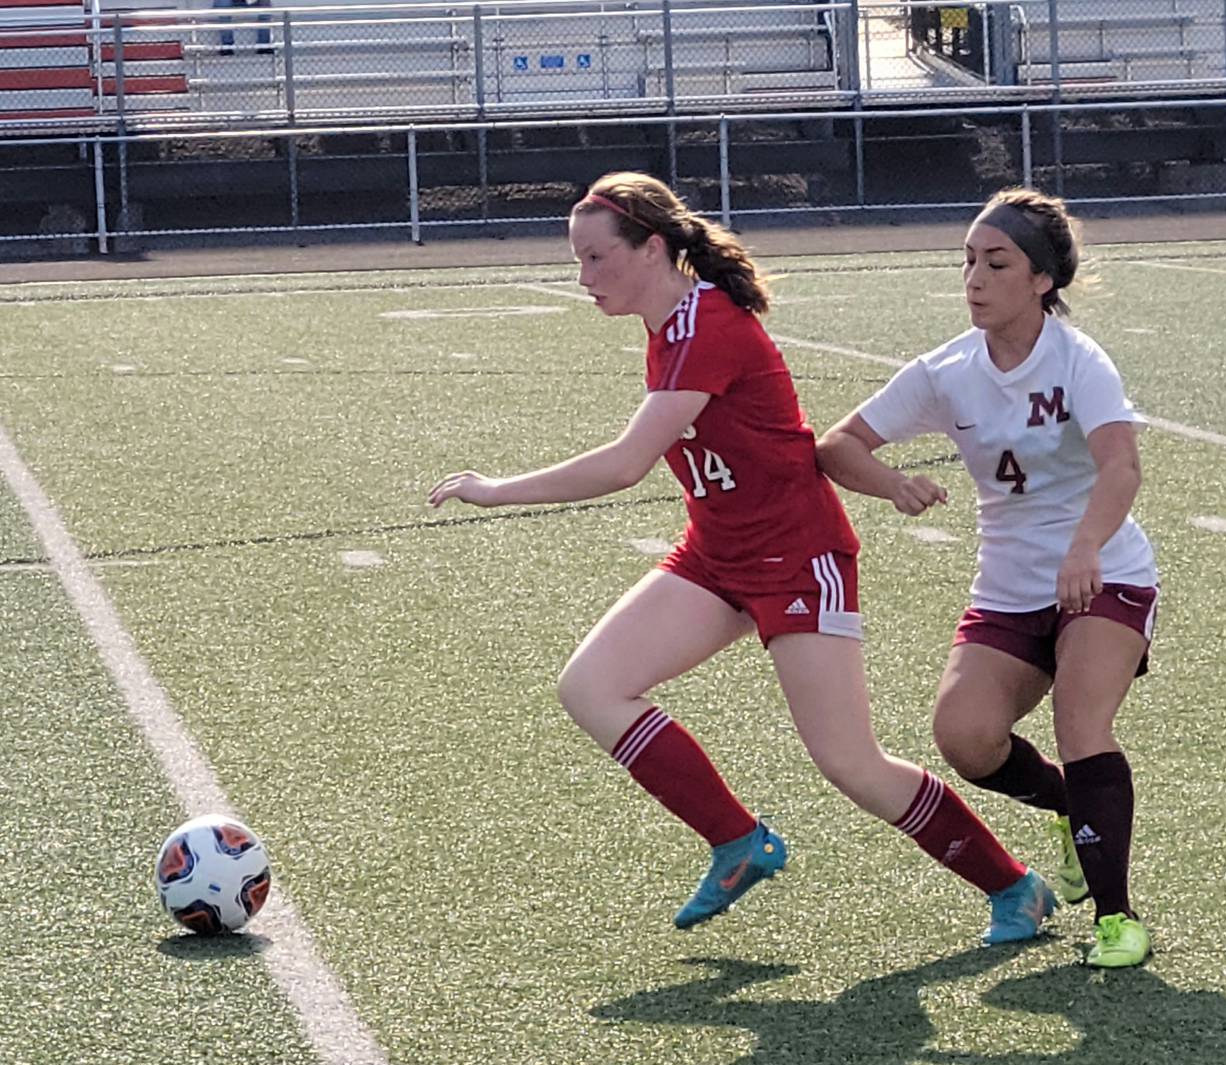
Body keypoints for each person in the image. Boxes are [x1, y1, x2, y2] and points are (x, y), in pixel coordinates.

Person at [428, 171, 1055, 944]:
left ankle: (1014, 886)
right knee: (592, 687)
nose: (583, 278)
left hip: (797, 560)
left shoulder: (708, 325)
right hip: (716, 557)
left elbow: (626, 464)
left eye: (595, 258)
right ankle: (737, 841)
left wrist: (495, 490)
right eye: (577, 261)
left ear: (651, 249)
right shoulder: (669, 326)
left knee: (851, 764)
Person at [815, 186, 1158, 968]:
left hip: (1105, 576)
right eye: (967, 260)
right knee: (965, 738)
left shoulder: (1079, 360)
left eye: (994, 262)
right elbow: (838, 445)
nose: (973, 278)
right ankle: (1075, 810)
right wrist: (892, 482)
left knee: (1081, 723)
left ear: (1040, 280)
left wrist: (1084, 549)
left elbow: (1121, 467)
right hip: (1008, 586)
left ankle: (1116, 918)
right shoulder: (948, 370)